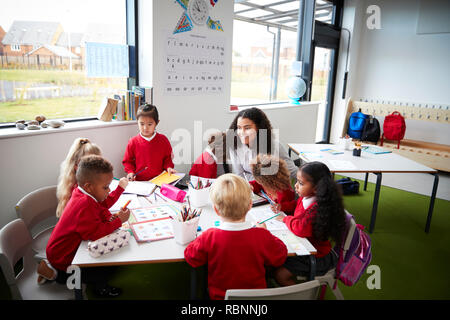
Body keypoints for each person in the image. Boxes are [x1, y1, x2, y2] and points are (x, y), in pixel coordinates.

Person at [37, 155, 130, 297]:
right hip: (64, 258)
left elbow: (101, 207)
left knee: (112, 260)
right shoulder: (84, 204)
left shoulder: (82, 193)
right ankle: (57, 275)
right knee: (107, 268)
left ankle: (53, 268)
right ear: (89, 186)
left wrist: (112, 218)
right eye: (106, 187)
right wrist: (118, 221)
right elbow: (96, 234)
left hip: (63, 249)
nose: (109, 191)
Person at [184, 173, 287, 300]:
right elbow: (280, 256)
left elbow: (191, 257)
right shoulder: (262, 235)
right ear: (250, 205)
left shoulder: (209, 236)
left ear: (216, 210)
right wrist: (267, 233)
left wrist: (196, 239)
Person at [272, 161, 346, 286]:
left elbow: (300, 228)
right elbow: (297, 205)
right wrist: (283, 207)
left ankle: (302, 295)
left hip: (316, 256)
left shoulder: (317, 208)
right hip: (305, 246)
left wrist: (286, 219)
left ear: (317, 188)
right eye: (296, 181)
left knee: (280, 274)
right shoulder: (306, 197)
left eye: (300, 183)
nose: (295, 186)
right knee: (273, 259)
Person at [56, 137, 128, 218]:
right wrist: (119, 189)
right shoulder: (80, 190)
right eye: (94, 165)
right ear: (77, 166)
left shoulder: (77, 182)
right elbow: (103, 205)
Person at [228, 107, 297, 182]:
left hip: (273, 185)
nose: (242, 132)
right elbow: (239, 175)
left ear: (259, 128)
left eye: (247, 128)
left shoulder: (273, 145)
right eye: (239, 128)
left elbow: (292, 171)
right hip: (249, 186)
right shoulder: (234, 145)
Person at [123, 104, 176, 181]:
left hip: (160, 180)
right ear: (137, 122)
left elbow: (168, 159)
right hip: (140, 182)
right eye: (142, 124)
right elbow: (128, 161)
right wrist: (130, 172)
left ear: (157, 123)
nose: (145, 128)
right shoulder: (133, 142)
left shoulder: (163, 140)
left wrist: (169, 168)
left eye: (150, 124)